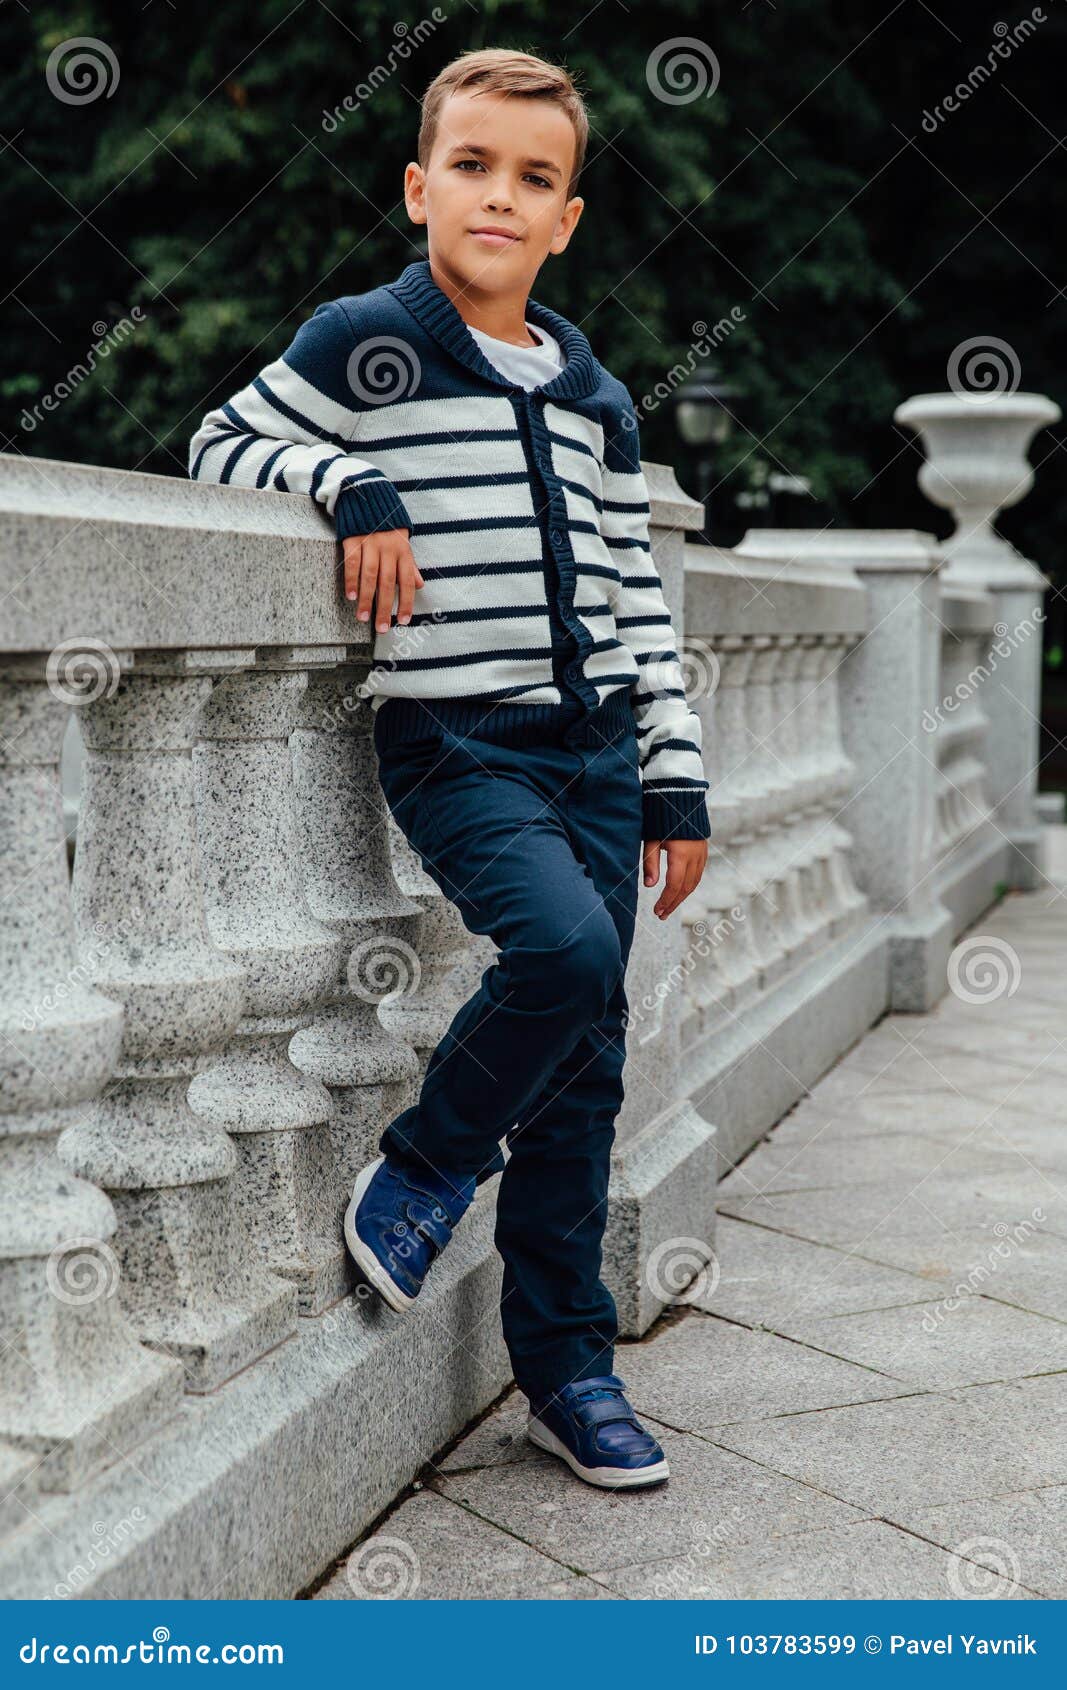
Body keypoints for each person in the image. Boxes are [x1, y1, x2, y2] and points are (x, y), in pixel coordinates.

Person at [188, 47, 710, 1490]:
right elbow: (220, 444)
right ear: (420, 185)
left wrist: (674, 779)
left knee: (589, 1061)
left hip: (601, 746)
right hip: (459, 738)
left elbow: (635, 601)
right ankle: (426, 1159)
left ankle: (568, 1366)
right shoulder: (371, 339)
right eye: (471, 167)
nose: (499, 196)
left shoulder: (597, 390)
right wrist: (348, 482)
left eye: (533, 178)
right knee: (559, 948)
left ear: (567, 218)